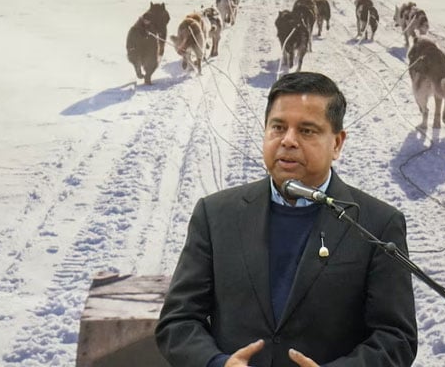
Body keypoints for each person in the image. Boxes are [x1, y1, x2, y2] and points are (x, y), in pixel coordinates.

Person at [155, 72, 417, 367]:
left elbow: (396, 338)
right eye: (278, 127)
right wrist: (217, 363)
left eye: (306, 131)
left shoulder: (376, 224)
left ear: (337, 144)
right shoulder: (215, 214)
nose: (288, 141)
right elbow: (177, 323)